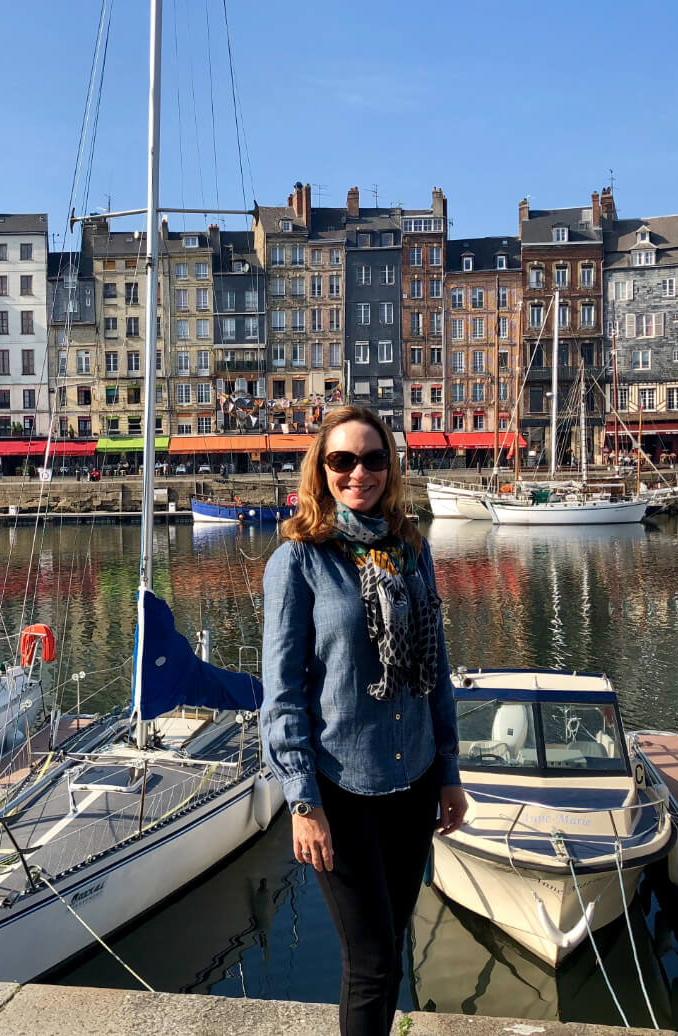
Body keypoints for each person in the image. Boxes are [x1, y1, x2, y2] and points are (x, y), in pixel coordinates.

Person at [261, 405, 466, 1036]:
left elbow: (436, 669)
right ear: (321, 471)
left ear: (390, 466)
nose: (359, 473)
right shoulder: (298, 562)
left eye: (373, 459)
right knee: (371, 960)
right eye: (342, 460)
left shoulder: (411, 550)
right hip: (341, 789)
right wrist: (302, 801)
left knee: (392, 947)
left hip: (414, 780)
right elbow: (282, 691)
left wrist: (450, 772)